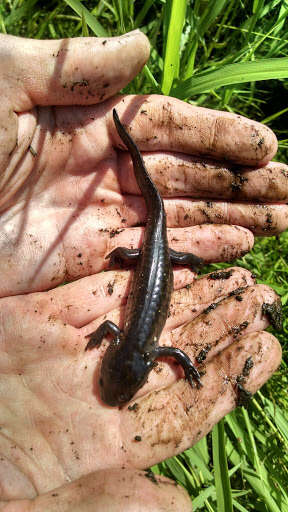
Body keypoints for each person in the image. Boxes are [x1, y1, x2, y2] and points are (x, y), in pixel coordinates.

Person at [0, 30, 286, 511]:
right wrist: (186, 364)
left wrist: (181, 264)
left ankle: (182, 254)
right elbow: (142, 337)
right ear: (129, 361)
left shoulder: (136, 340)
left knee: (163, 246)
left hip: (159, 255)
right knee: (155, 243)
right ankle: (159, 225)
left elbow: (126, 329)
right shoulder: (137, 341)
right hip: (155, 256)